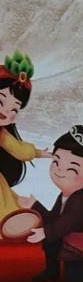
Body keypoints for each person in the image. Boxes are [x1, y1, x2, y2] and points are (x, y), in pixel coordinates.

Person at [26, 125, 83, 282]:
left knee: (75, 278)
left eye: (71, 169)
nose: (59, 171)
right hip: (64, 236)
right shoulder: (64, 195)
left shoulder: (79, 199)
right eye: (56, 162)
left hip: (76, 241)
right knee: (50, 243)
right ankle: (52, 271)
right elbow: (54, 217)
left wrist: (46, 231)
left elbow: (68, 221)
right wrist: (35, 205)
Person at [0, 52, 51, 227]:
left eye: (14, 110)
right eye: (0, 102)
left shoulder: (2, 134)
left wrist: (39, 153)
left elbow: (19, 149)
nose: (5, 112)